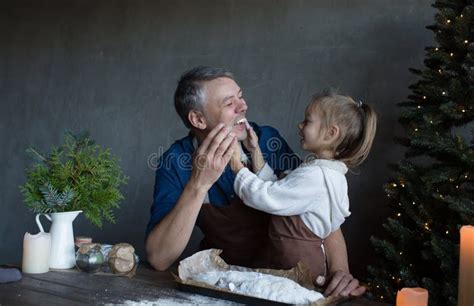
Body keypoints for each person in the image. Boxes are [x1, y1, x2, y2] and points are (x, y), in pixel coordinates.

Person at [145, 66, 366, 297]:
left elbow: (319, 207)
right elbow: (159, 258)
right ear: (198, 119)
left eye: (240, 97)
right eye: (230, 103)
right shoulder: (176, 161)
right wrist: (198, 185)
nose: (243, 107)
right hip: (228, 285)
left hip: (287, 285)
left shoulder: (267, 141)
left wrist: (340, 270)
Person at [229, 92, 377, 287]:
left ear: (331, 133)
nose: (300, 125)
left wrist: (238, 168)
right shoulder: (328, 174)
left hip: (299, 272)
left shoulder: (315, 177)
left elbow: (268, 197)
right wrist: (255, 150)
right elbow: (281, 191)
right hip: (293, 268)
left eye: (307, 121)